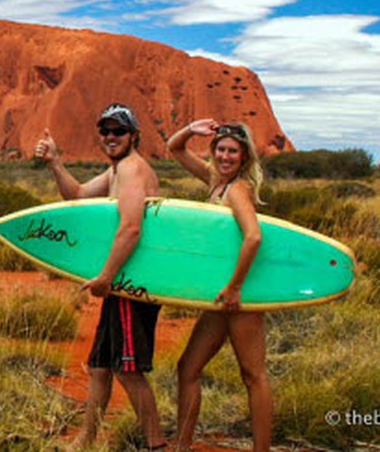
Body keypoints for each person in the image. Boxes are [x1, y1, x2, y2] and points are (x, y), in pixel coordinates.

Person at [35, 103, 166, 451]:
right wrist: (56, 163)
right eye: (105, 131)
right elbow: (76, 196)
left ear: (133, 136)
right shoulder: (116, 171)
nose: (110, 137)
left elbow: (131, 228)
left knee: (127, 368)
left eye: (118, 131)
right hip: (121, 283)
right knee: (98, 367)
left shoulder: (132, 170)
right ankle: (85, 441)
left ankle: (156, 444)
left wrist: (105, 277)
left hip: (132, 285)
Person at [166, 119, 272, 452]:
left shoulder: (237, 189)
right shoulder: (216, 182)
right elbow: (174, 149)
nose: (226, 157)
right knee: (188, 367)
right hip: (221, 296)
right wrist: (191, 129)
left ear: (244, 158)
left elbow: (254, 236)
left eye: (233, 152)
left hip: (240, 297)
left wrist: (236, 286)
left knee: (253, 374)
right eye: (221, 149)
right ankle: (182, 445)